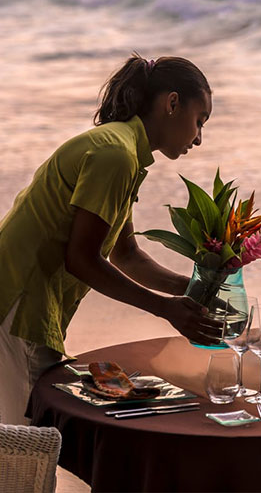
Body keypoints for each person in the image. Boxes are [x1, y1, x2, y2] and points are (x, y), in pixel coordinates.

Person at [0, 53, 221, 424]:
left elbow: (127, 255)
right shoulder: (115, 156)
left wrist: (192, 291)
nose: (199, 138)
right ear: (172, 103)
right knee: (30, 448)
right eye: (200, 121)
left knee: (31, 445)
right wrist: (165, 309)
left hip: (24, 296)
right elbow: (82, 260)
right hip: (17, 302)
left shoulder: (123, 151)